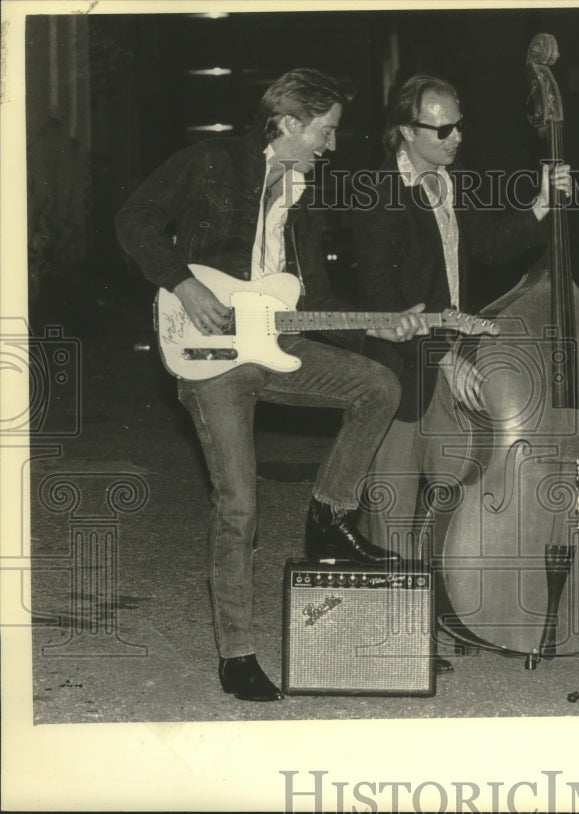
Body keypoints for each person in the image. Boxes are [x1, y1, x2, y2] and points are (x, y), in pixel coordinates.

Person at [116, 68, 427, 702]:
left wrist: (379, 327)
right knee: (240, 505)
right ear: (287, 123)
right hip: (214, 356)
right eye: (325, 130)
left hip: (277, 341)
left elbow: (312, 298)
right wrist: (183, 282)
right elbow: (135, 220)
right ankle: (237, 653)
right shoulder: (212, 161)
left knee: (378, 386)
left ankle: (328, 514)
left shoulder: (306, 194)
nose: (331, 144)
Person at [351, 74, 572, 559]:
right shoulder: (378, 194)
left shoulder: (455, 179)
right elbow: (382, 303)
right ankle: (387, 625)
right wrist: (444, 357)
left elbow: (489, 246)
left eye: (459, 127)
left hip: (452, 358)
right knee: (392, 517)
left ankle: (458, 609)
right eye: (443, 130)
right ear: (407, 131)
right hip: (403, 371)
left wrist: (539, 206)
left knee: (465, 497)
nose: (457, 138)